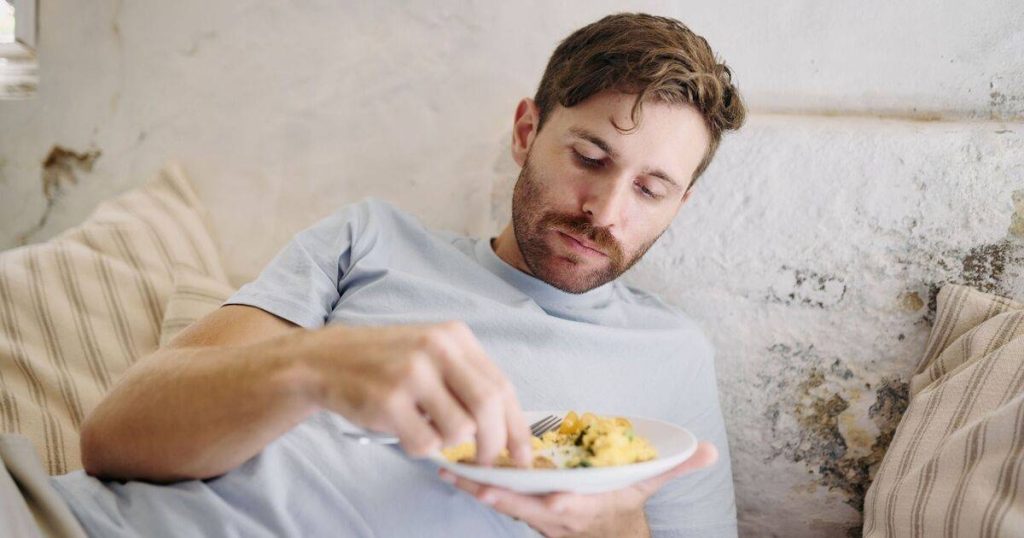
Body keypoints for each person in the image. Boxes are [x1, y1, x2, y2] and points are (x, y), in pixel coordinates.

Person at [52, 12, 746, 537]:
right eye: (589, 157)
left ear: (680, 204)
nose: (605, 211)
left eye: (650, 189)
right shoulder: (370, 239)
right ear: (526, 133)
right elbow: (114, 436)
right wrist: (316, 368)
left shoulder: (672, 355)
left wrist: (610, 529)